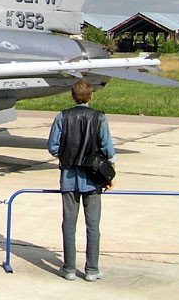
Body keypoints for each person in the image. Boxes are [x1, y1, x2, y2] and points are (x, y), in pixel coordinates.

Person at [48, 79, 116, 282]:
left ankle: (69, 268)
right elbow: (108, 149)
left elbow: (53, 147)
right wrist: (110, 172)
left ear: (72, 96)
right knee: (93, 225)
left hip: (68, 178)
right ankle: (92, 270)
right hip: (93, 179)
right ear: (91, 96)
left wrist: (66, 154)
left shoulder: (62, 117)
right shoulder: (99, 118)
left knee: (69, 224)